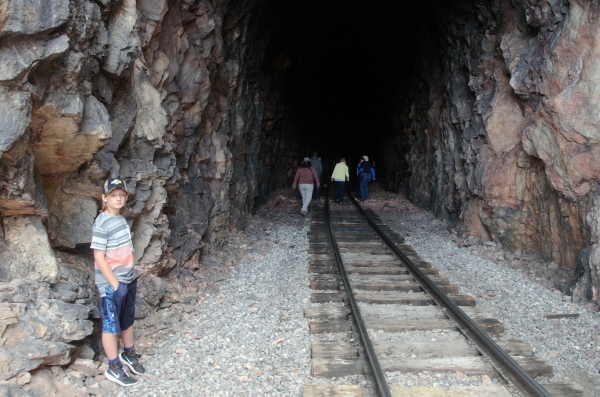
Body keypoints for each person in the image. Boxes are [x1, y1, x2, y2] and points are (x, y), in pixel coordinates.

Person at [90, 177, 145, 387]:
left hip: (127, 278)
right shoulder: (102, 222)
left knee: (127, 318)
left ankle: (128, 354)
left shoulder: (120, 218)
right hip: (112, 283)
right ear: (104, 198)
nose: (118, 198)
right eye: (113, 195)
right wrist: (114, 284)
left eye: (121, 195)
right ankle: (114, 367)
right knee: (111, 325)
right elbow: (99, 257)